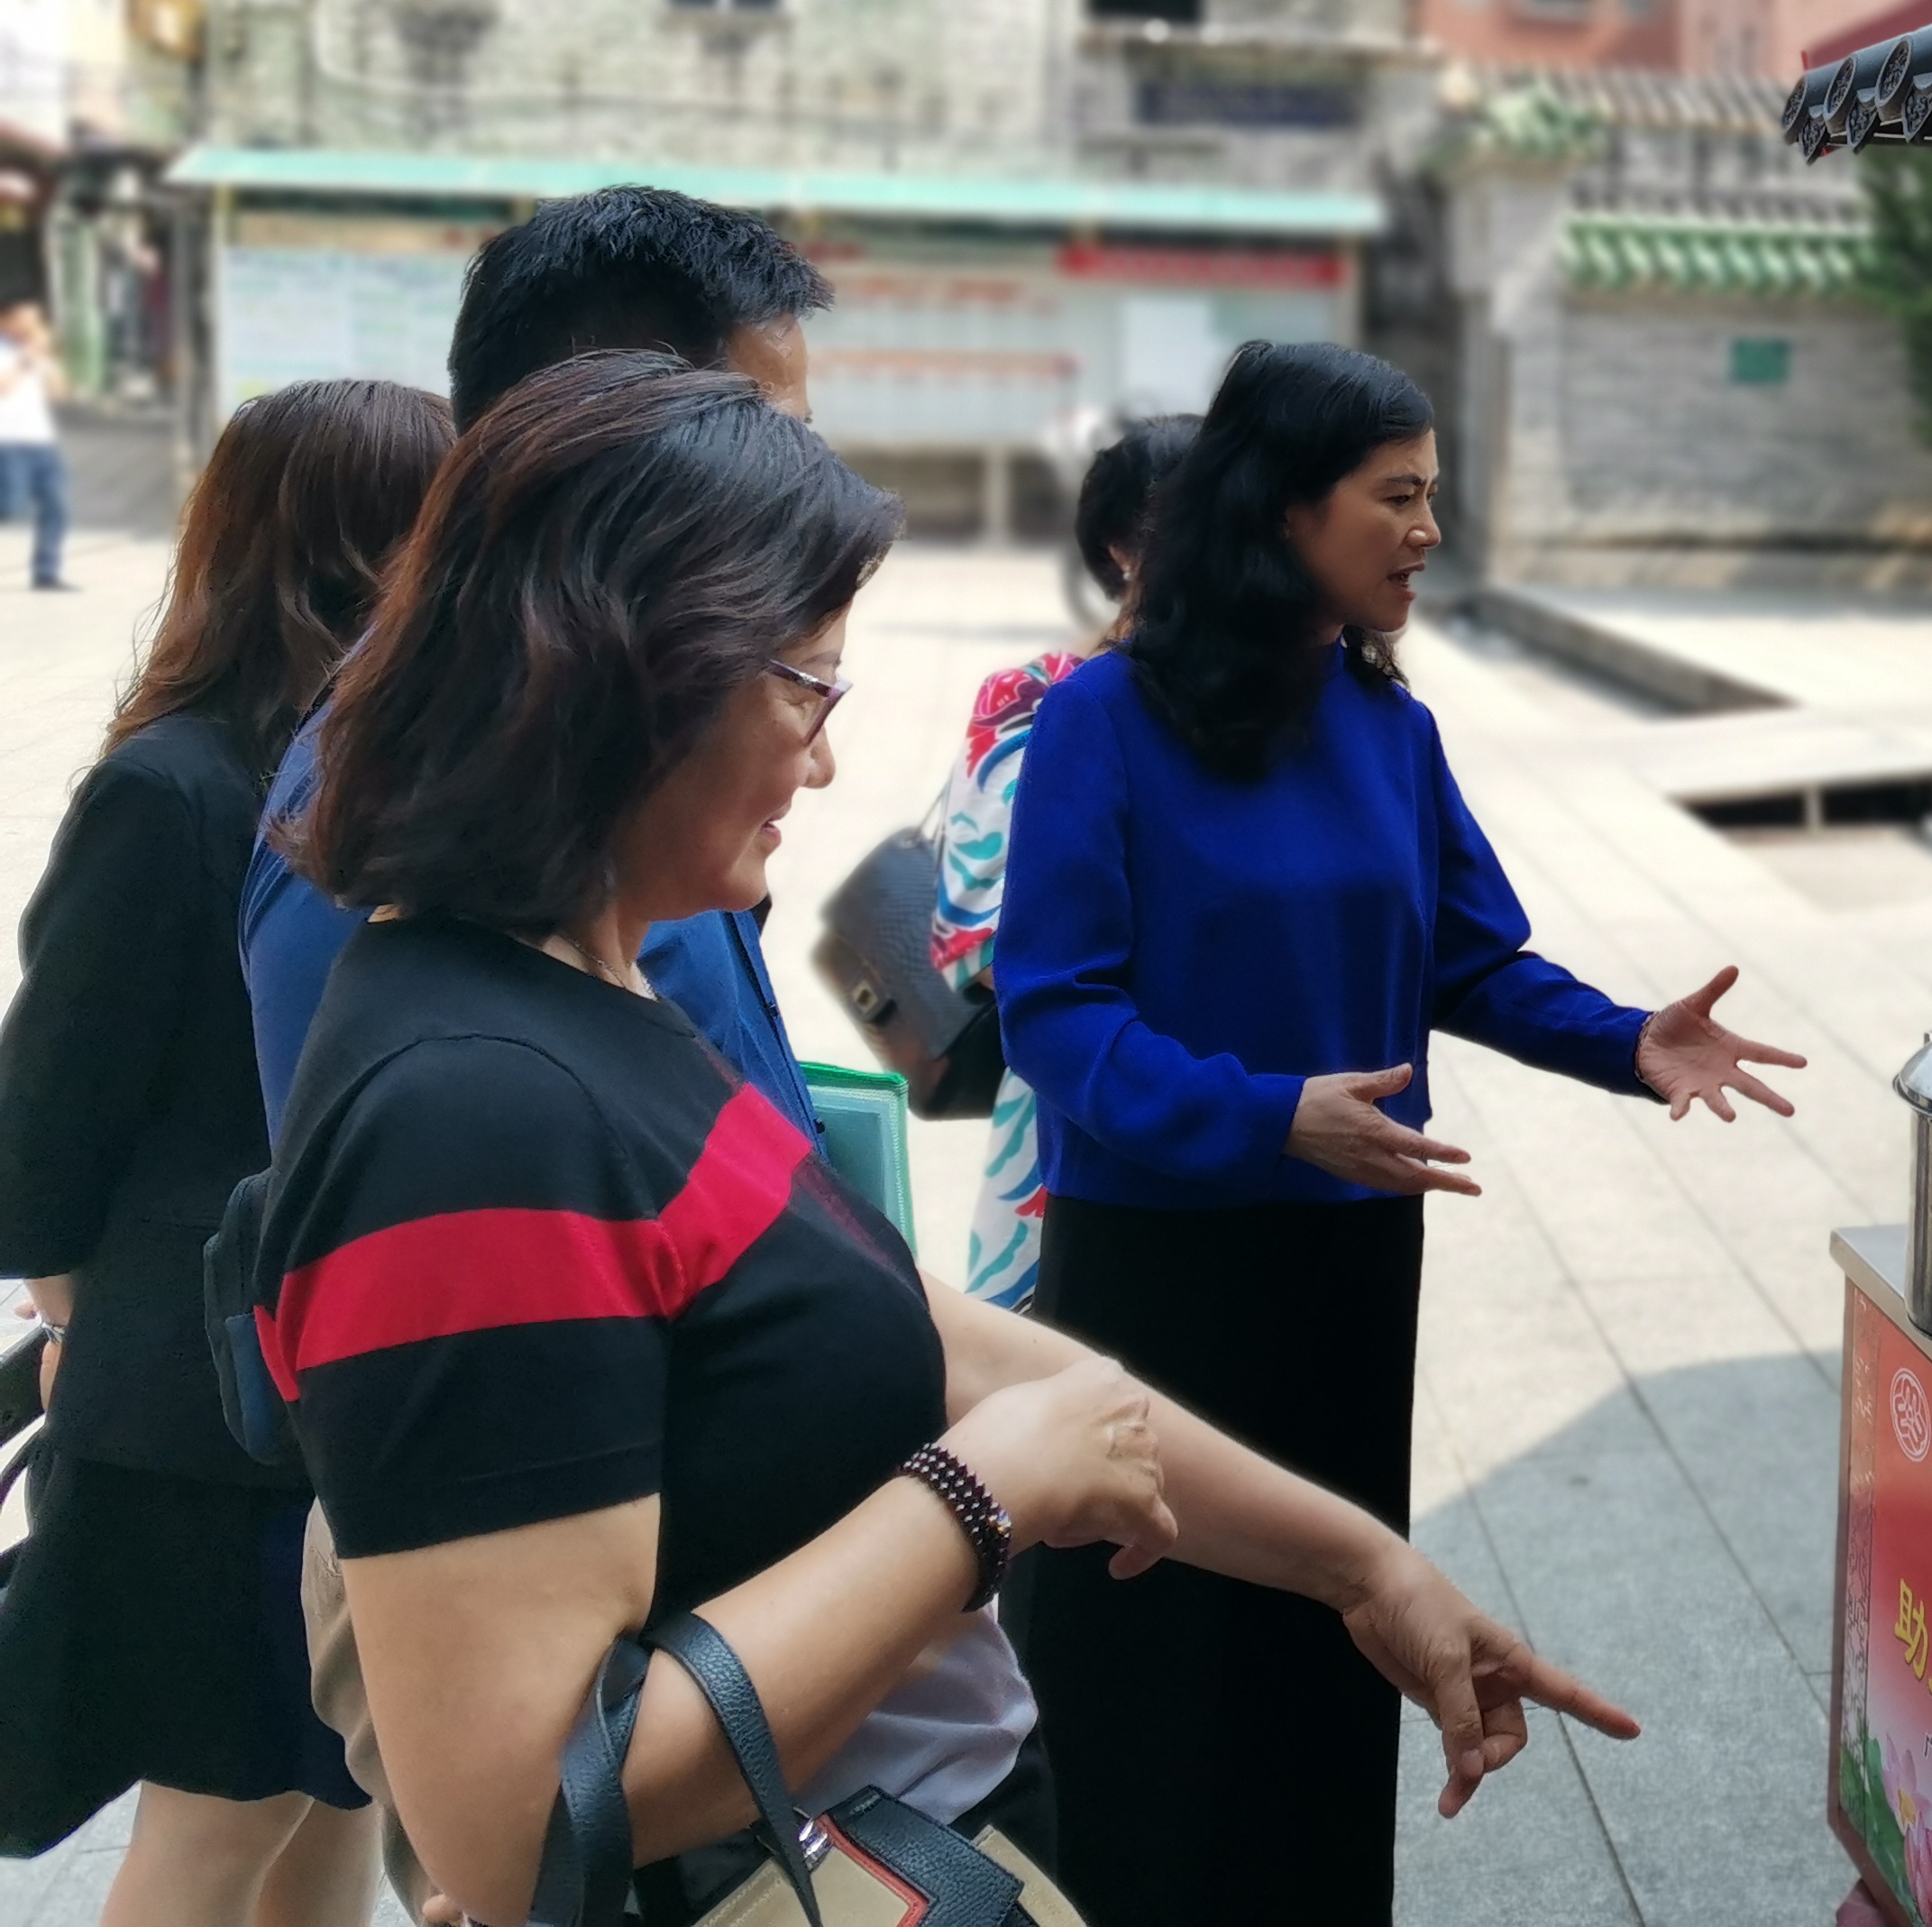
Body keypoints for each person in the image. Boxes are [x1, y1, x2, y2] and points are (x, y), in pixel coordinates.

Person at [255, 355, 1636, 1927]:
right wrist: (983, 1496)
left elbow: (925, 1332)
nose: (827, 757)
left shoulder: (595, 994)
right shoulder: (472, 1114)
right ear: (641, 673)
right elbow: (525, 1823)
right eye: (806, 684)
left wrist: (1368, 1570)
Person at [994, 342, 1805, 1927]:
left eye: (1434, 494)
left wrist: (1629, 1040)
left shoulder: (1387, 726)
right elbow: (1057, 1014)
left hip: (1348, 1262)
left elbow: (1468, 957)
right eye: (1401, 495)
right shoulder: (1103, 719)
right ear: (1288, 508)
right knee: (1149, 1662)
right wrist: (1264, 1117)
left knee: (1335, 1631)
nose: (1432, 528)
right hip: (1156, 1268)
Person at [0, 378, 455, 1919]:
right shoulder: (201, 784)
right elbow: (50, 1118)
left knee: (314, 1812)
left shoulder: (348, 779)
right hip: (208, 1425)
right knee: (224, 1824)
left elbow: (53, 1115)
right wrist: (70, 1320)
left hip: (284, 1396)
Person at [240, 183, 832, 1137]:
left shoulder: (608, 733)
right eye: (774, 435)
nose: (810, 478)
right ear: (604, 430)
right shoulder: (420, 816)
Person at [931, 415, 1200, 1313]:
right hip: (1076, 1125)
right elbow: (978, 934)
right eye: (1196, 519)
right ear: (1122, 545)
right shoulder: (1033, 704)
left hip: (1260, 1144)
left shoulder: (1293, 715)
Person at [0, 300, 68, 591]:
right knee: (11, 506)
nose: (31, 328)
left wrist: (48, 360)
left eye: (35, 321)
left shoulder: (37, 354)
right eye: (25, 321)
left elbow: (60, 393)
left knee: (57, 508)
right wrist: (25, 360)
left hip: (43, 443)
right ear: (6, 320)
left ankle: (46, 572)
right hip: (9, 443)